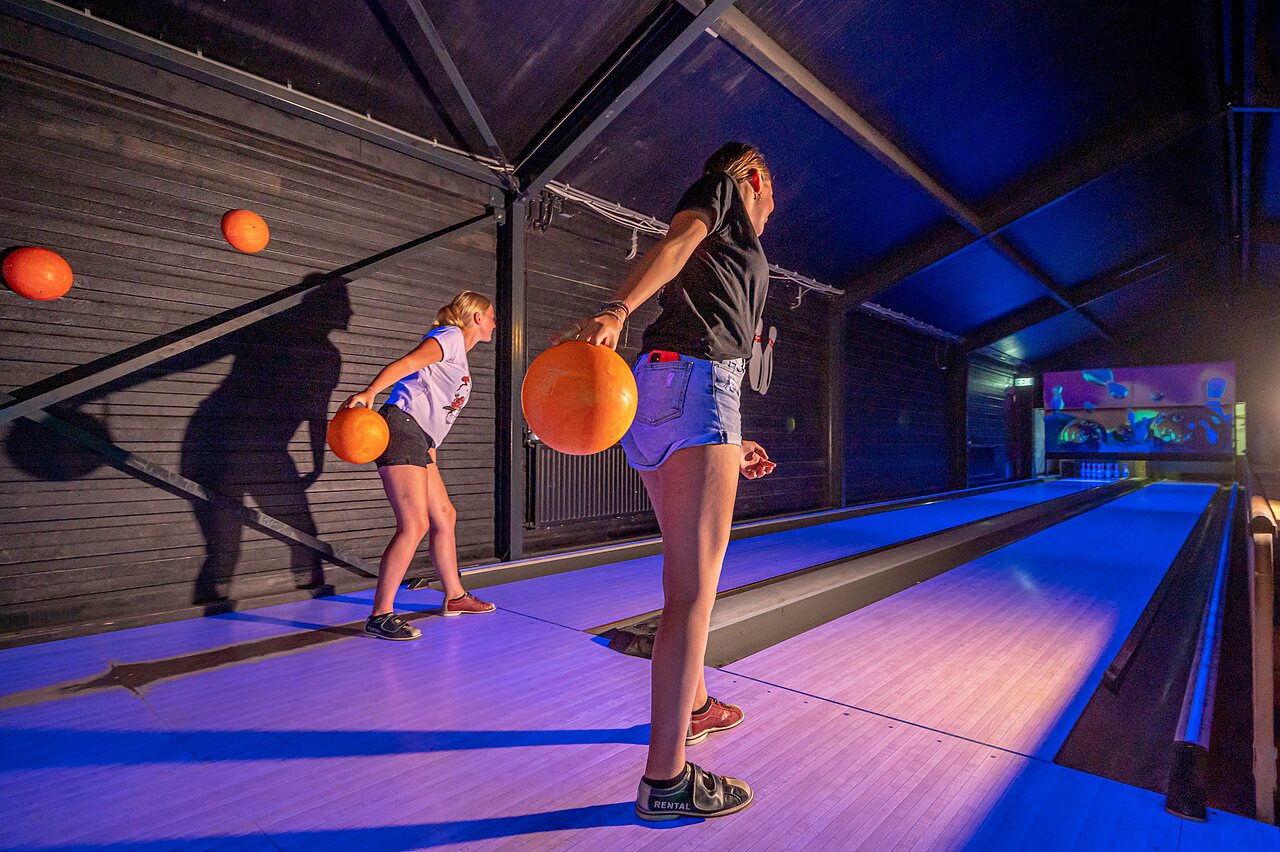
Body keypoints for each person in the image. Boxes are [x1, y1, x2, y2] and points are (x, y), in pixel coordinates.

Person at [560, 143, 779, 820]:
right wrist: (617, 309)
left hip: (660, 390)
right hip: (698, 382)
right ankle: (667, 781)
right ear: (755, 177)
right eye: (770, 194)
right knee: (692, 592)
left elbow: (695, 275)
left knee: (680, 577)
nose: (771, 207)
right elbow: (678, 244)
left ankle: (696, 705)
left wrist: (727, 441)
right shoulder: (720, 189)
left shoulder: (728, 231)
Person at [341, 291, 499, 640]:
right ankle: (380, 614)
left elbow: (433, 414)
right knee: (414, 525)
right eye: (490, 315)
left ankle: (455, 597)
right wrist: (370, 392)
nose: (493, 322)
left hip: (421, 440)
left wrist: (430, 455)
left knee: (445, 516)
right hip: (402, 428)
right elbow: (408, 363)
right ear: (476, 317)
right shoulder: (450, 337)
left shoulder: (458, 352)